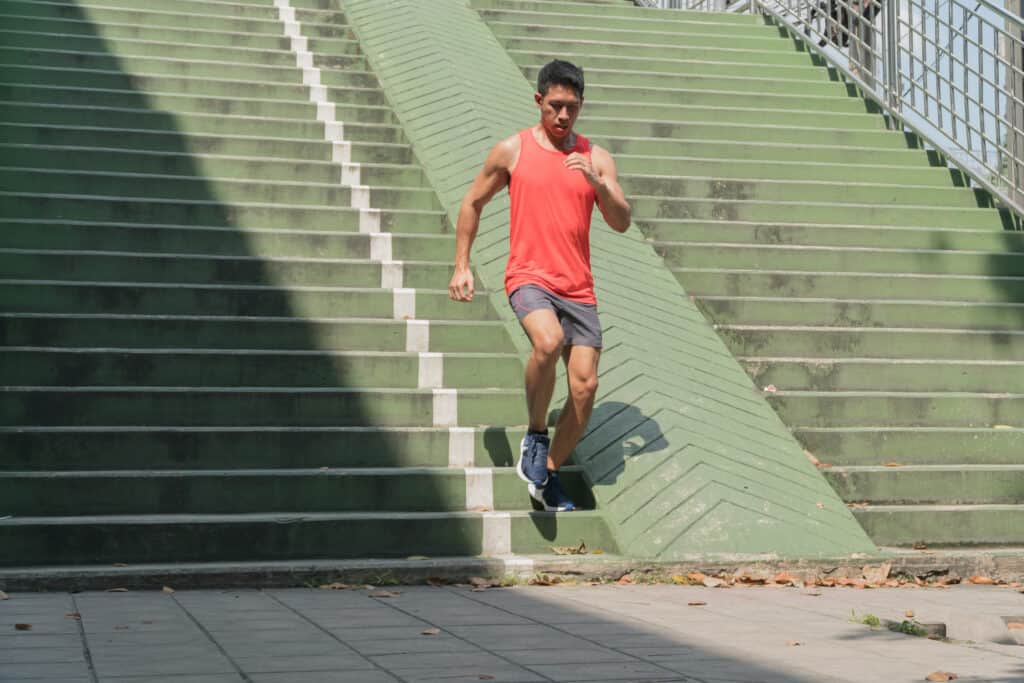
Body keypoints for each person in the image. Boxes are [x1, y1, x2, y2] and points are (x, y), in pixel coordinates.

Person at [447, 60, 631, 512]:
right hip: (529, 277)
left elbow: (622, 221)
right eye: (555, 106)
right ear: (539, 101)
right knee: (547, 343)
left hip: (578, 288)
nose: (563, 116)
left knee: (585, 388)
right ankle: (535, 432)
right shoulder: (512, 151)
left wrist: (598, 185)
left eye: (571, 107)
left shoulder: (596, 158)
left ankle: (546, 472)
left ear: (581, 105)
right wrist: (461, 265)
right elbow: (472, 202)